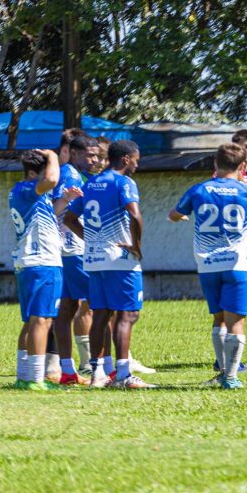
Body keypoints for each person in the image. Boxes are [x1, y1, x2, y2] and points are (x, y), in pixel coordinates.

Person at [169, 143, 247, 388]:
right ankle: (230, 377)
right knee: (236, 320)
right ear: (242, 166)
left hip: (207, 265)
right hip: (238, 265)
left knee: (219, 319)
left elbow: (174, 214)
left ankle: (223, 371)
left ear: (215, 164)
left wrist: (182, 216)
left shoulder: (198, 190)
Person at [63, 139, 154, 388]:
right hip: (120, 259)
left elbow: (69, 219)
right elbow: (135, 215)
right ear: (126, 159)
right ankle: (123, 375)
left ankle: (97, 374)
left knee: (101, 314)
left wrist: (91, 239)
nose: (137, 165)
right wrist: (136, 246)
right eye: (136, 159)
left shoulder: (90, 183)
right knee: (128, 314)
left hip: (93, 258)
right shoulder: (124, 182)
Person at [10, 149, 65, 390]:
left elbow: (48, 213)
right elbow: (52, 179)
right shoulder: (27, 189)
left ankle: (24, 377)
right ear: (33, 174)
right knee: (42, 320)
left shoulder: (26, 193)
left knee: (32, 321)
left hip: (30, 262)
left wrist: (66, 200)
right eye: (43, 173)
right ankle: (35, 379)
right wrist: (54, 155)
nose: (49, 178)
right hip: (42, 262)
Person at [52, 132, 98, 385]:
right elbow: (57, 209)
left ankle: (68, 370)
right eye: (90, 155)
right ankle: (98, 365)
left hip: (65, 251)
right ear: (75, 153)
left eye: (97, 156)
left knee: (67, 309)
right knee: (98, 303)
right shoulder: (70, 174)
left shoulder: (73, 174)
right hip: (73, 250)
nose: (95, 160)